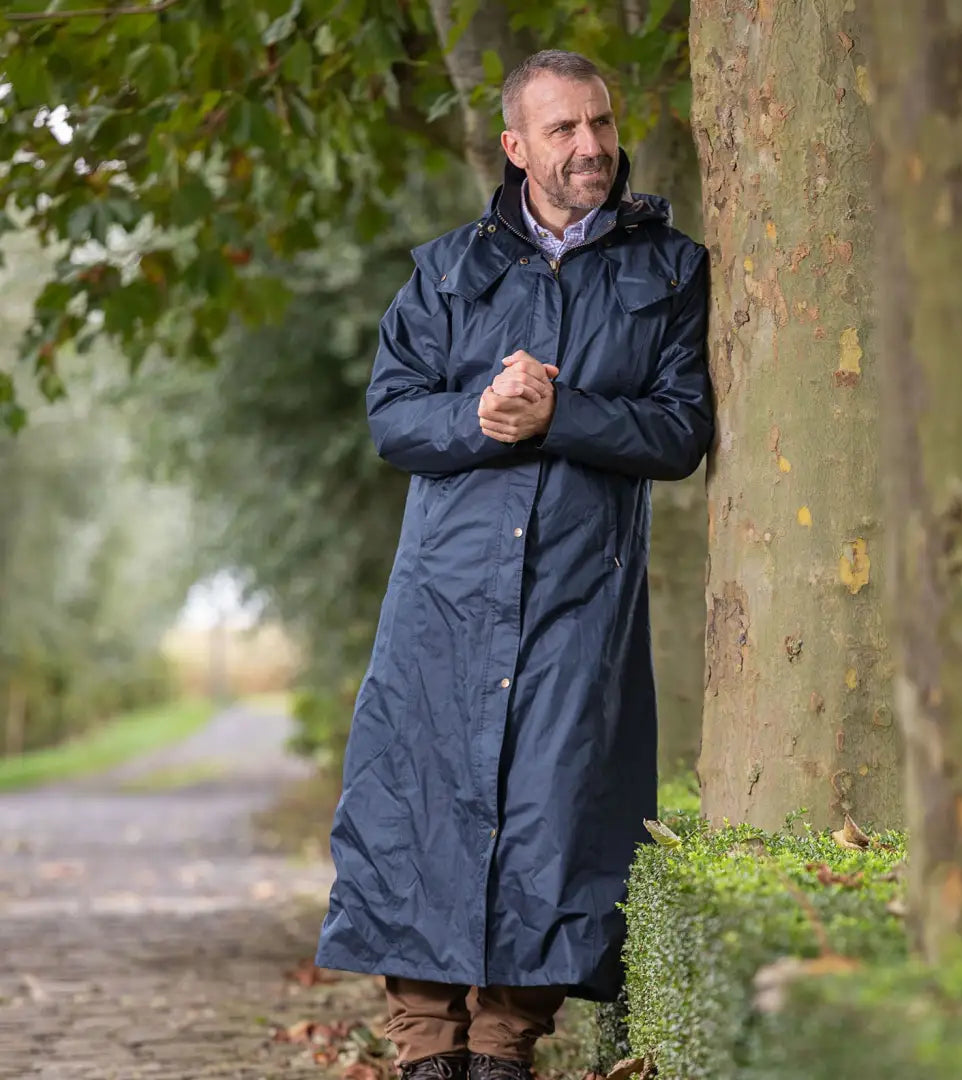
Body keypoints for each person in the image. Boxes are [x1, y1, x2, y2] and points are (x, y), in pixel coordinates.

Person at [315, 48, 713, 1080]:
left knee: (558, 808)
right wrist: (480, 416)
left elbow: (678, 433)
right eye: (563, 130)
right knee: (415, 801)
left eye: (600, 123)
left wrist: (564, 412)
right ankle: (424, 1050)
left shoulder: (670, 269)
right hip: (445, 594)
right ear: (514, 147)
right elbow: (395, 420)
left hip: (582, 597)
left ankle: (502, 1049)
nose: (590, 147)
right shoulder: (446, 270)